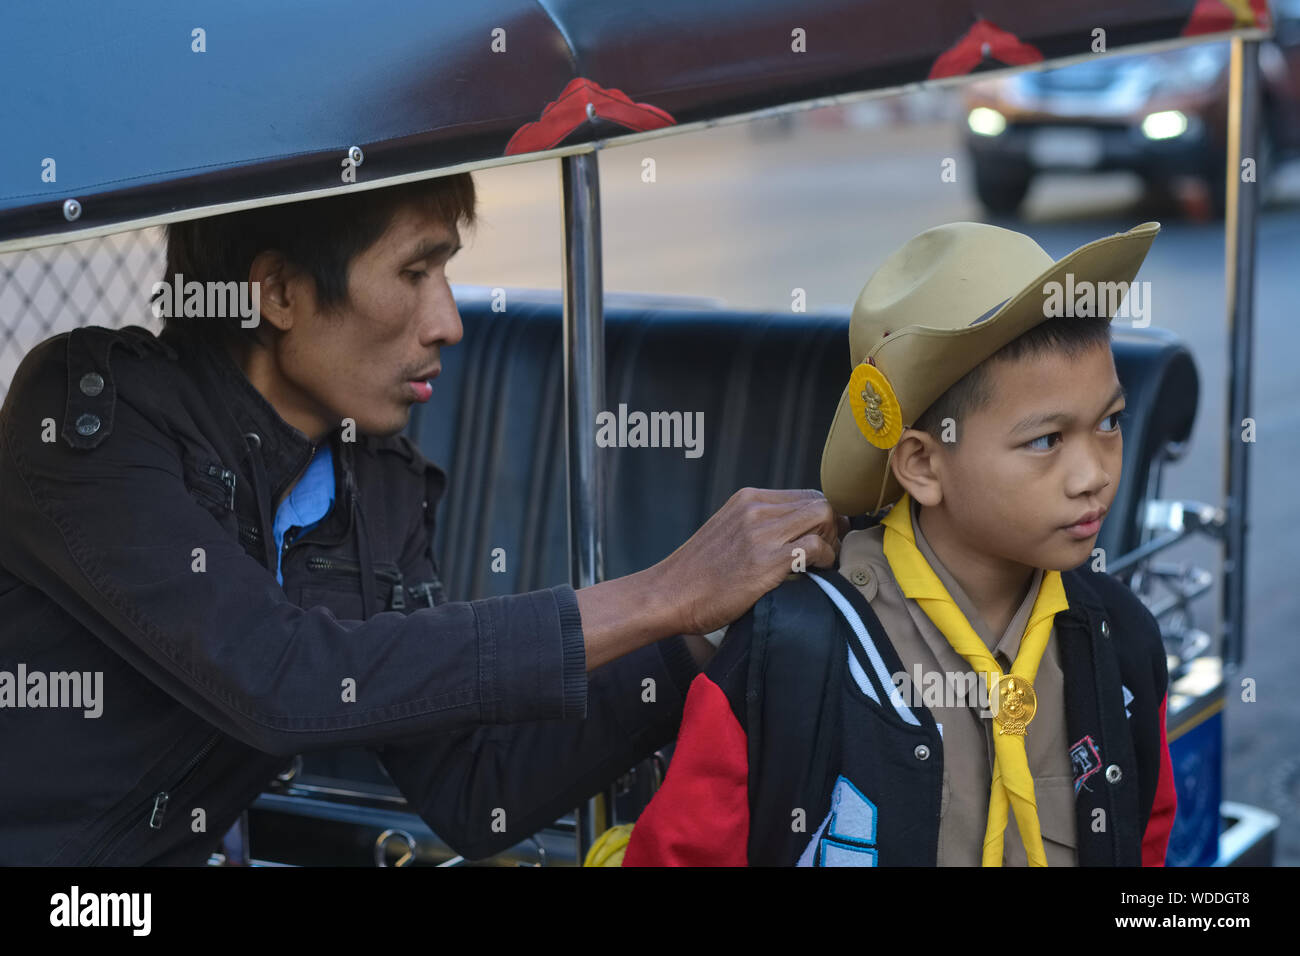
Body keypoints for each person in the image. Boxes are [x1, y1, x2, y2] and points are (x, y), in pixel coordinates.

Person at [0, 173, 844, 865]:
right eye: (414, 274)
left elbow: (477, 789)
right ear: (279, 292)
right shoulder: (93, 416)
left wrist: (699, 632)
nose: (448, 322)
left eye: (446, 274)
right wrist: (665, 592)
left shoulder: (375, 480)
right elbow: (281, 680)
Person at [621, 220, 1179, 867]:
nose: (1095, 475)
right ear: (921, 465)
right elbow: (681, 853)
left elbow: (1146, 838)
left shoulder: (1120, 642)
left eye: (1109, 422)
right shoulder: (795, 651)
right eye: (1046, 441)